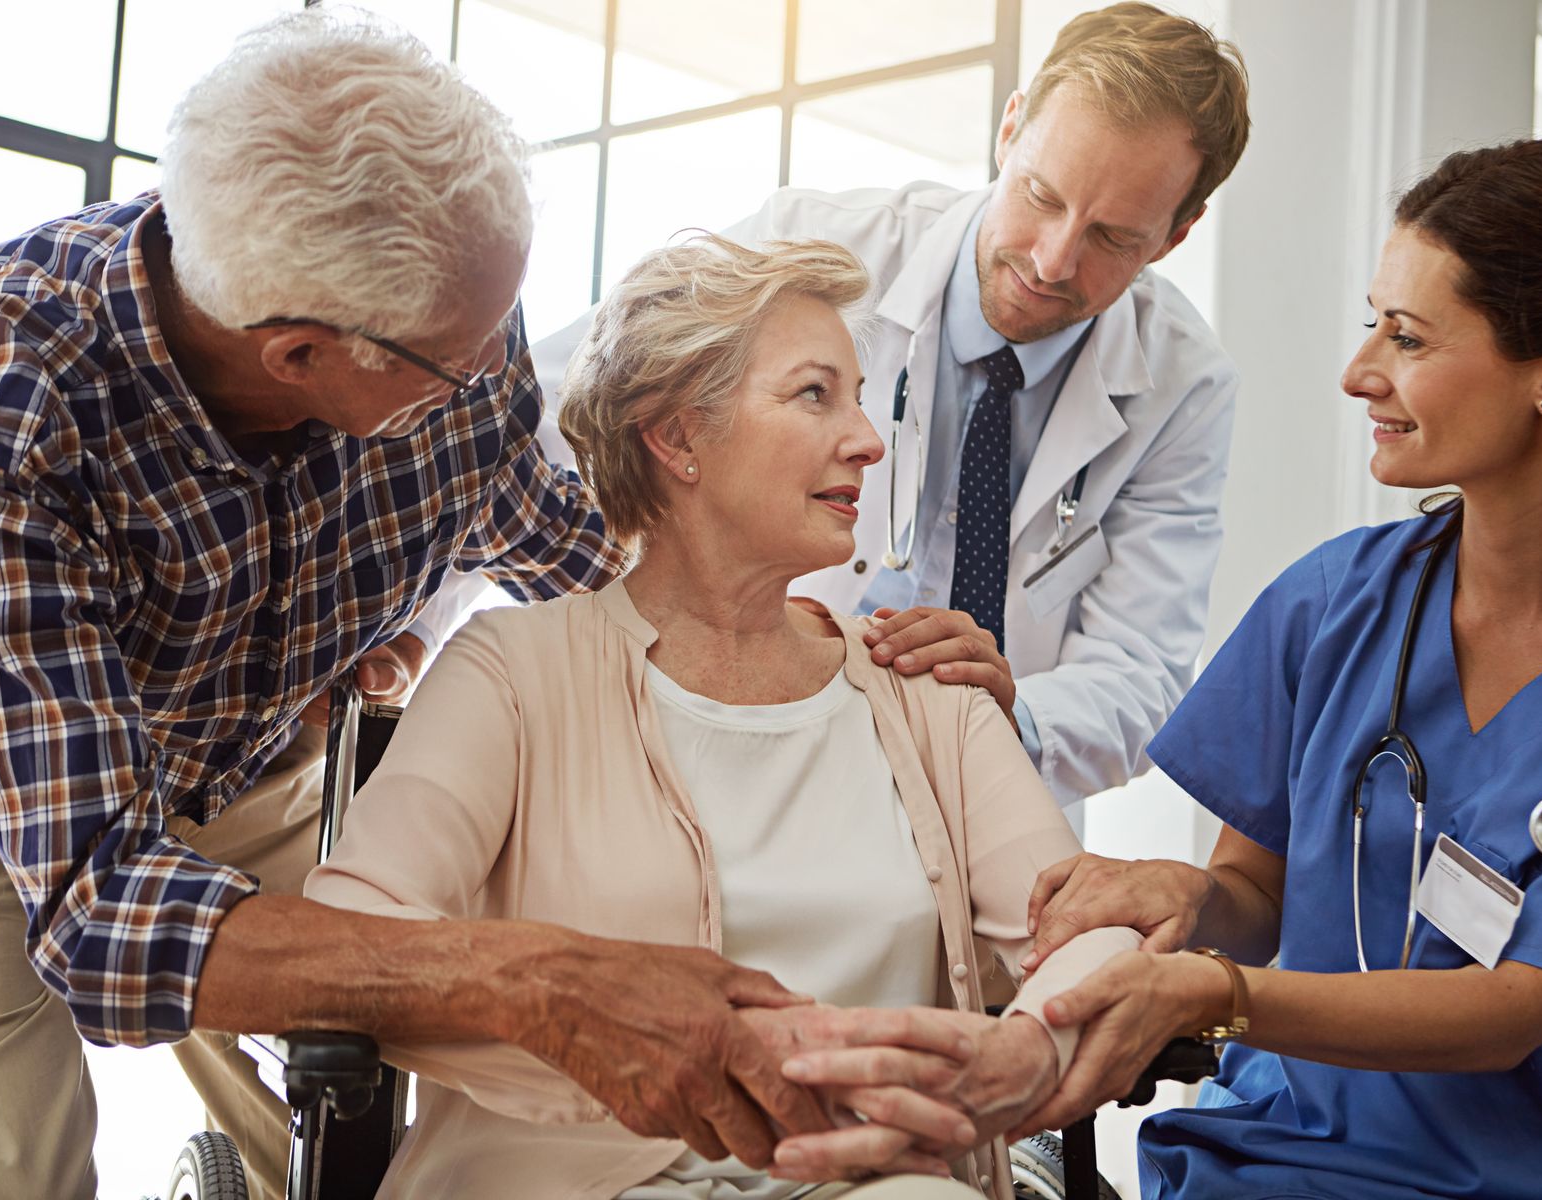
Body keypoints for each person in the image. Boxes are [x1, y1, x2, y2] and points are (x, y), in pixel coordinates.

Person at [0, 14, 858, 1199]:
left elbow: (559, 545)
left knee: (357, 1096)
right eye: (459, 358)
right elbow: (101, 912)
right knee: (13, 1169)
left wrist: (829, 653)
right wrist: (521, 977)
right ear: (299, 354)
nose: (492, 367)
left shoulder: (452, 311)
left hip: (245, 756)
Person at [794, 137, 1542, 1197]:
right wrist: (1188, 896)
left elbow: (1510, 1015)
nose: (1361, 373)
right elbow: (1257, 889)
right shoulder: (1336, 606)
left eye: (1407, 338)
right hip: (1279, 1153)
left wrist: (1209, 992)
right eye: (1374, 324)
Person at [304, 234, 1144, 1199]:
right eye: (814, 394)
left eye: (863, 396)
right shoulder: (513, 670)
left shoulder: (927, 684)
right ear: (678, 439)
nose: (870, 439)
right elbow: (352, 932)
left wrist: (1035, 1046)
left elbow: (1084, 919)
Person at [536, 2, 1251, 806]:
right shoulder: (812, 247)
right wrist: (427, 619)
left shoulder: (1186, 385)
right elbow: (552, 412)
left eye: (1114, 237)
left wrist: (1004, 714)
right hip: (729, 725)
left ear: (1174, 236)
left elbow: (1141, 669)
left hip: (972, 783)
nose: (1052, 261)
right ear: (1010, 129)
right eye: (1041, 196)